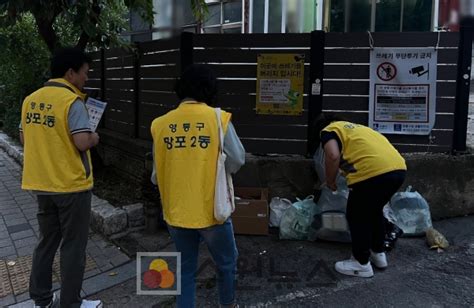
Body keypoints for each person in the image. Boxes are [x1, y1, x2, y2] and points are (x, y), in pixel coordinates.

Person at [150, 64, 245, 307]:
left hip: (176, 212)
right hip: (212, 211)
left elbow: (155, 175)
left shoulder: (160, 124)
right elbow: (237, 159)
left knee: (185, 270)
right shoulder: (218, 119)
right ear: (209, 89)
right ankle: (227, 304)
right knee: (226, 263)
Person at [19, 47, 102, 308]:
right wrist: (95, 137)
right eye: (85, 73)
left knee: (46, 243)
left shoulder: (31, 100)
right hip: (71, 187)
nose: (86, 78)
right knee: (73, 247)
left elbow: (24, 138)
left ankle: (42, 299)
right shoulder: (71, 102)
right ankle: (71, 303)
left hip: (41, 186)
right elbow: (81, 141)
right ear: (70, 73)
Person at [313, 114, 406, 278]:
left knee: (357, 215)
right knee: (374, 211)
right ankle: (378, 253)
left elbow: (332, 155)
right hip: (398, 169)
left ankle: (360, 262)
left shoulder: (329, 130)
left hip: (371, 174)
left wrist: (330, 181)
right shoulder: (357, 129)